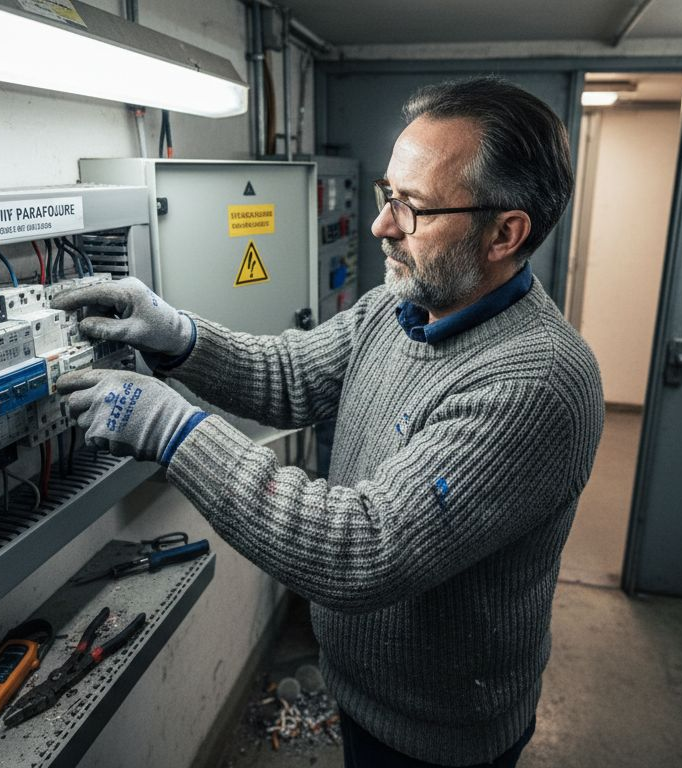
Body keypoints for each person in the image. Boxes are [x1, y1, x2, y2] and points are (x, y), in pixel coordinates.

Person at [53, 76, 604, 768]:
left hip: (438, 735)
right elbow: (290, 373)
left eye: (415, 209)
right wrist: (178, 337)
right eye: (387, 196)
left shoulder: (538, 383)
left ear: (505, 232)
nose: (382, 225)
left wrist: (174, 433)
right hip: (364, 689)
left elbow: (362, 548)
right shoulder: (400, 306)